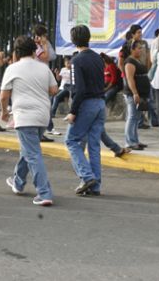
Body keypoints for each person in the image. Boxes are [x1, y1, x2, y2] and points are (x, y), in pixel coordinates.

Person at [1, 36, 58, 206]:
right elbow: (54, 89)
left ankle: (44, 192)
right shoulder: (43, 68)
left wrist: (4, 112)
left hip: (24, 116)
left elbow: (4, 95)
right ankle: (18, 182)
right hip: (42, 116)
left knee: (32, 153)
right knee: (28, 150)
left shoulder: (12, 69)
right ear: (34, 51)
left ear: (16, 53)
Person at [64, 25, 106, 196]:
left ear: (73, 41)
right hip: (100, 103)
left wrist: (73, 111)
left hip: (86, 104)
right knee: (94, 146)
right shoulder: (98, 58)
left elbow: (79, 89)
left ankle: (87, 177)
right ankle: (95, 185)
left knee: (71, 140)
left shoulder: (76, 61)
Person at [123, 40, 151, 150]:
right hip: (132, 94)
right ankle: (130, 142)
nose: (141, 50)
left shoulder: (137, 60)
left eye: (141, 48)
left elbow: (147, 69)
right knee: (132, 117)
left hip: (141, 93)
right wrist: (135, 93)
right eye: (139, 48)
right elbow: (130, 79)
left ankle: (135, 140)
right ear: (132, 49)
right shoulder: (129, 62)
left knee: (136, 117)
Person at [48, 55, 75, 135]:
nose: (68, 64)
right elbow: (58, 79)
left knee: (57, 97)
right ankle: (50, 111)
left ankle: (52, 113)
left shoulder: (72, 70)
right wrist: (57, 74)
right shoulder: (63, 69)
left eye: (69, 62)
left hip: (68, 88)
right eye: (67, 62)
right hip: (61, 87)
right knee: (52, 97)